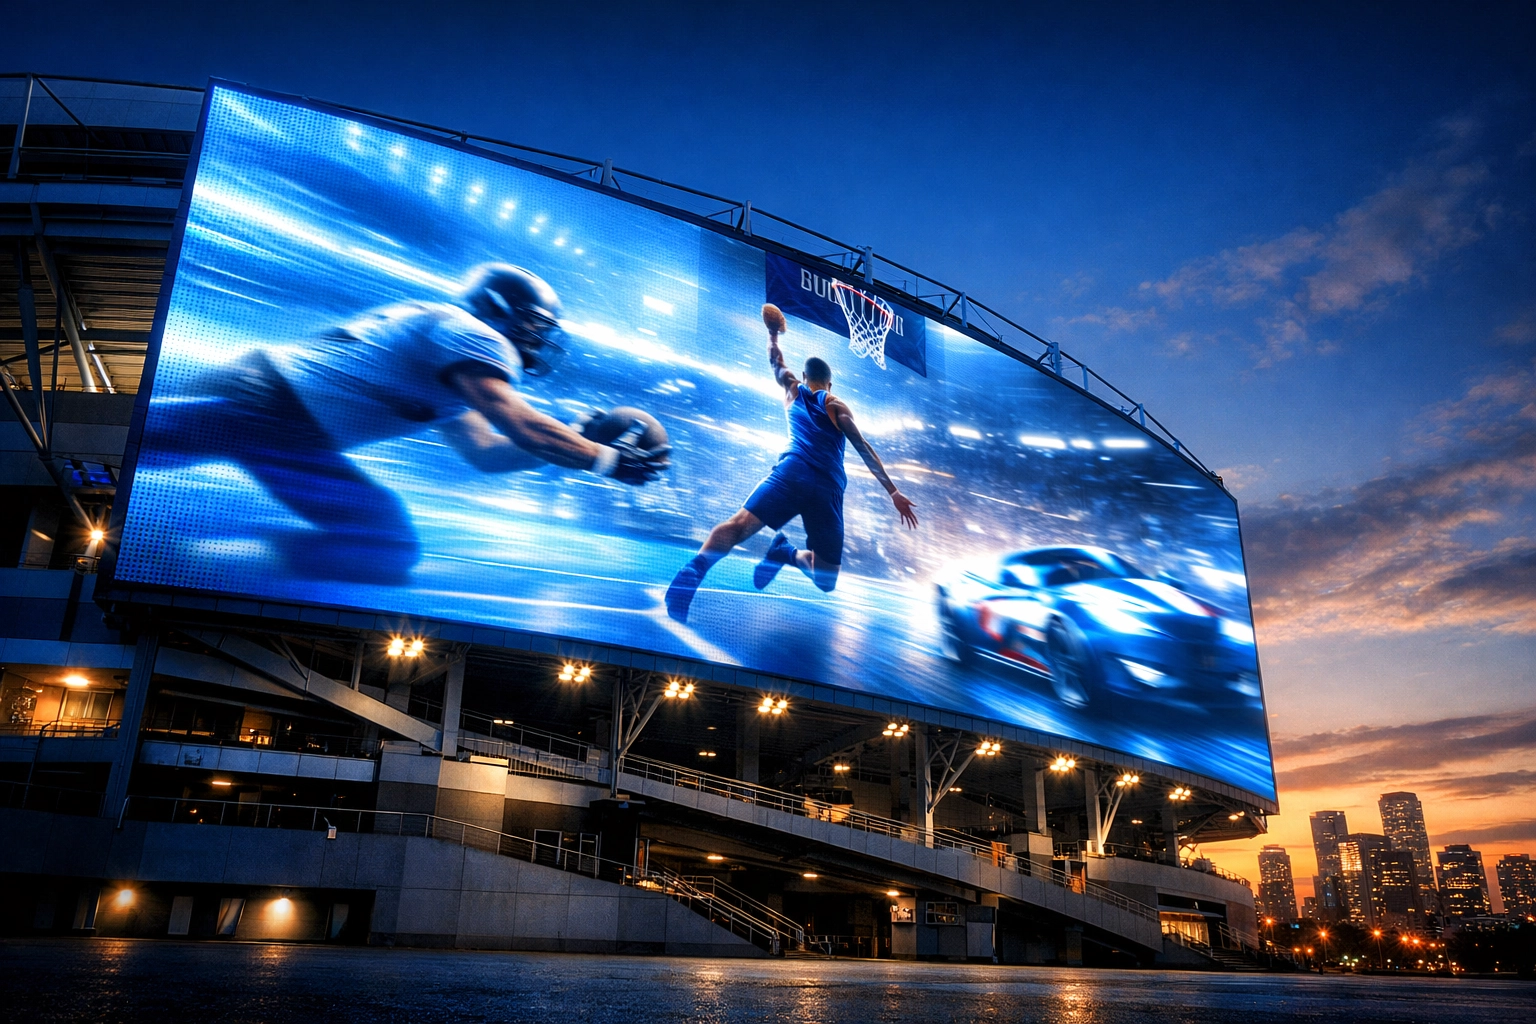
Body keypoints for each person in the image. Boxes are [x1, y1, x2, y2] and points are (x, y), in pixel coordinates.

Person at [142, 263, 669, 584]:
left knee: (385, 542)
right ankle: (187, 559)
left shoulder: (450, 352)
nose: (536, 339)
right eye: (532, 325)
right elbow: (521, 426)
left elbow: (485, 453)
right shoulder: (473, 335)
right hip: (265, 404)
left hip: (284, 420)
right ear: (498, 312)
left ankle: (197, 558)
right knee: (128, 441)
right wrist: (607, 460)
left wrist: (573, 437)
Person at [664, 305, 918, 622]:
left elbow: (775, 359)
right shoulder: (837, 405)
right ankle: (788, 554)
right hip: (826, 489)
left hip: (793, 473)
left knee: (739, 526)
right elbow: (862, 446)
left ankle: (696, 572)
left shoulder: (791, 388)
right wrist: (893, 491)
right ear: (830, 383)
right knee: (826, 580)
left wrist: (773, 333)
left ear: (806, 377)